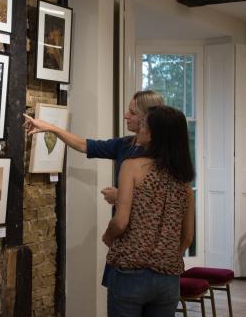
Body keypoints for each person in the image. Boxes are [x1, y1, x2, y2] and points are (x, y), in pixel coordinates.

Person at [102, 105, 195, 316]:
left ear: (153, 134)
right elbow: (188, 237)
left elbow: (120, 222)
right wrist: (167, 258)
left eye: (143, 124)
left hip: (130, 273)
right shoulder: (184, 181)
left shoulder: (132, 166)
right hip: (168, 279)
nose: (139, 129)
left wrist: (108, 236)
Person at [23, 90, 164, 203]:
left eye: (132, 113)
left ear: (148, 117)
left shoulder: (162, 153)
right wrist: (50, 127)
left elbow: (162, 200)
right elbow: (84, 145)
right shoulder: (125, 144)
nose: (126, 116)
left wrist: (121, 197)